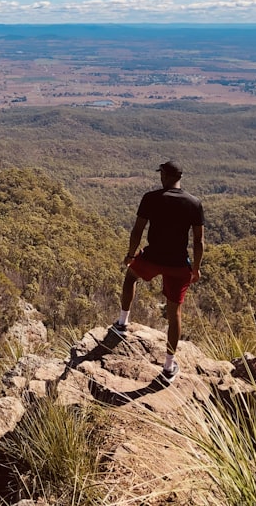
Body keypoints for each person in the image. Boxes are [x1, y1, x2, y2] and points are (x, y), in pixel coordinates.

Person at [110, 160, 204, 384]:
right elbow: (199, 242)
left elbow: (137, 231)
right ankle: (169, 367)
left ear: (164, 175)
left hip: (152, 257)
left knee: (131, 276)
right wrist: (196, 269)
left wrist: (131, 256)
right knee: (175, 314)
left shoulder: (150, 198)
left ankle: (123, 323)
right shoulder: (194, 203)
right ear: (180, 177)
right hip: (178, 264)